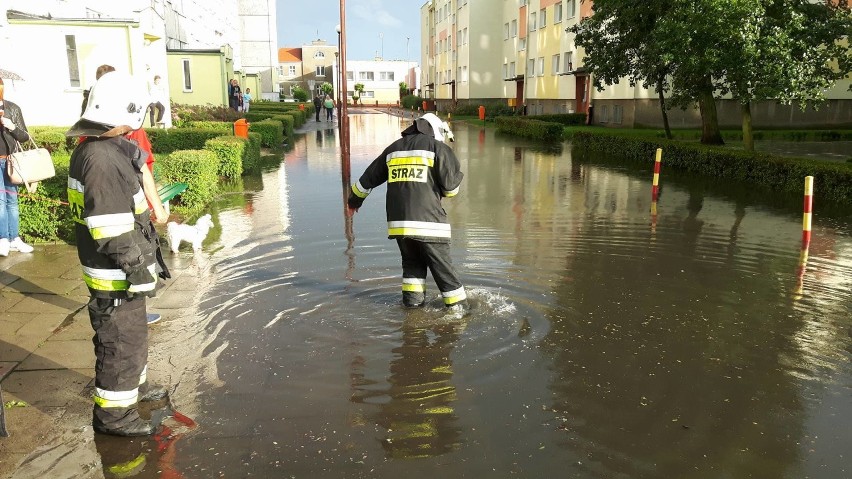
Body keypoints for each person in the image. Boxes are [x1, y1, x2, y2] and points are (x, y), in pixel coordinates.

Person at [65, 71, 171, 436]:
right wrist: (136, 266)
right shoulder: (102, 159)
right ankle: (115, 418)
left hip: (119, 272)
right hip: (117, 273)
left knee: (132, 336)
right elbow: (109, 225)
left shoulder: (103, 150)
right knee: (120, 344)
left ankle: (134, 391)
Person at [348, 113, 468, 310]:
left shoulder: (393, 149)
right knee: (444, 270)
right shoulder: (438, 148)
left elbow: (365, 181)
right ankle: (459, 313)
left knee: (412, 266)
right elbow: (451, 190)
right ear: (435, 130)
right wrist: (457, 174)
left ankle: (412, 309)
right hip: (429, 223)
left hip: (399, 226)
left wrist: (354, 202)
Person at [82, 65, 168, 325]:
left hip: (103, 271)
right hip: (117, 280)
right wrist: (141, 274)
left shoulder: (91, 142)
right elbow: (112, 232)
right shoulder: (102, 157)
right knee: (121, 348)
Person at [0, 78, 35, 257]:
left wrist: (11, 126)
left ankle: (14, 238)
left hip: (11, 161)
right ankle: (3, 239)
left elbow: (24, 137)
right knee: (0, 201)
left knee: (12, 201)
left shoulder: (13, 108)